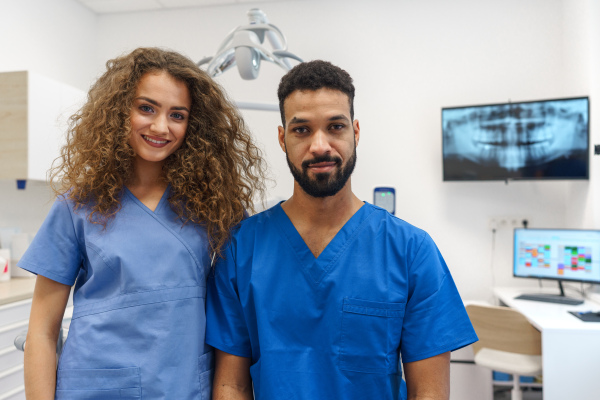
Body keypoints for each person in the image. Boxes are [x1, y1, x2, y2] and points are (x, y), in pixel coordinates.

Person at [205, 60, 478, 400]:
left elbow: (430, 392)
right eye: (302, 129)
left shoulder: (411, 251)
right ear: (282, 137)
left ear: (356, 132)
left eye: (335, 126)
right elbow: (232, 385)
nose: (320, 145)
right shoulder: (240, 249)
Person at [19, 47, 266, 400]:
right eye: (146, 108)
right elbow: (42, 331)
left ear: (193, 125)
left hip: (181, 383)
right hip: (93, 386)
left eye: (177, 115)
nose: (160, 126)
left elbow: (240, 309)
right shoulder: (77, 206)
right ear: (120, 110)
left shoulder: (214, 207)